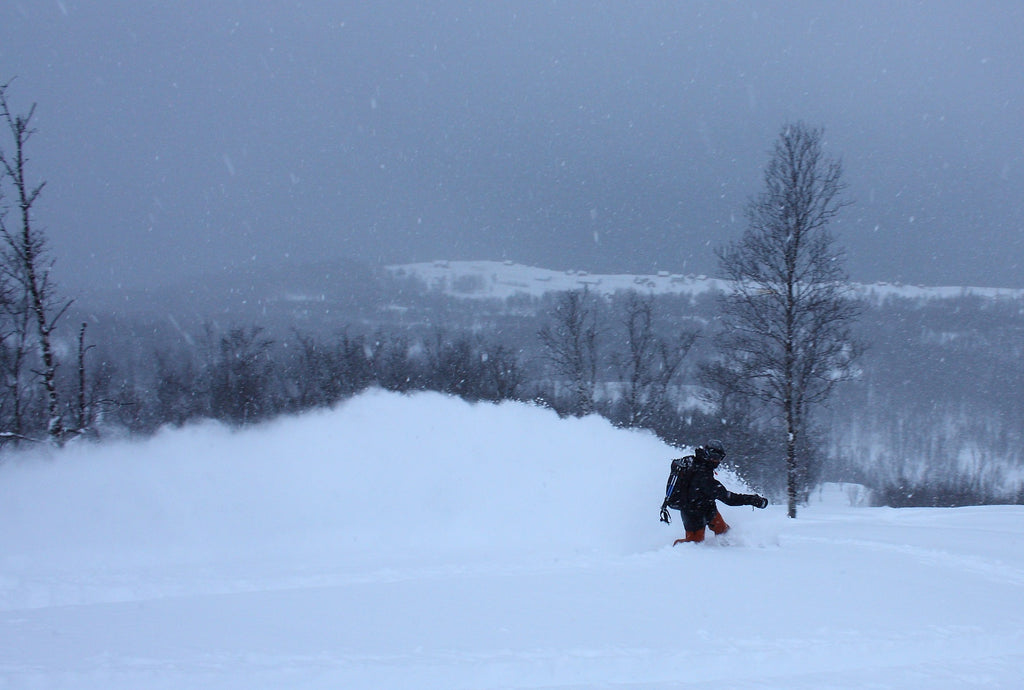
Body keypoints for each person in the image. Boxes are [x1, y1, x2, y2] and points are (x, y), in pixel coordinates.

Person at [659, 440, 768, 544]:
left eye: (720, 457)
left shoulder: (698, 463)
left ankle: (728, 548)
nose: (717, 461)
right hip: (691, 512)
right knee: (695, 543)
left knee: (724, 531)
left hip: (707, 506)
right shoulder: (703, 477)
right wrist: (753, 500)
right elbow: (728, 498)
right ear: (706, 454)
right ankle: (676, 552)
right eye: (715, 457)